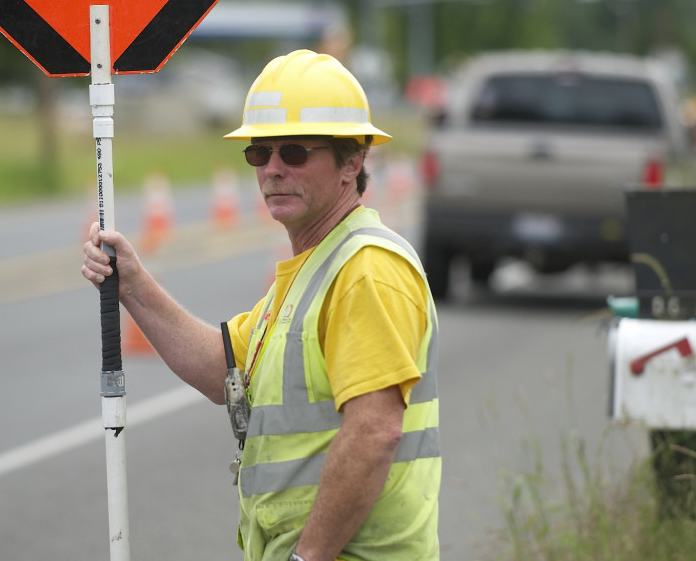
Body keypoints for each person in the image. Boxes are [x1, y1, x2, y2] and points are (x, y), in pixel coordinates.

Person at [82, 49, 440, 561]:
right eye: (258, 152)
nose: (272, 169)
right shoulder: (313, 269)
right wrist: (134, 285)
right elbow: (224, 370)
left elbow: (374, 430)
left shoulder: (366, 269)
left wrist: (305, 557)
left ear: (352, 161)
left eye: (294, 152)